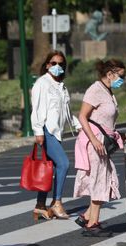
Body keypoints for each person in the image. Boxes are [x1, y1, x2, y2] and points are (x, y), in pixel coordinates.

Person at [73, 59, 126, 237]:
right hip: (94, 143)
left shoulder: (108, 91)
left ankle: (87, 216)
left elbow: (104, 121)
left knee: (104, 179)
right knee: (100, 181)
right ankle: (92, 224)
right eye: (121, 75)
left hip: (102, 141)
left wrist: (118, 135)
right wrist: (94, 140)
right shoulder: (95, 90)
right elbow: (83, 117)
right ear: (110, 74)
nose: (123, 79)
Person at [30, 50, 82, 221]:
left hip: (57, 132)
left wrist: (78, 124)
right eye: (54, 63)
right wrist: (38, 131)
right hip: (46, 131)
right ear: (47, 65)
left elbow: (66, 110)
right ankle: (56, 202)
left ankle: (39, 205)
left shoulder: (61, 85)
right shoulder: (41, 84)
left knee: (49, 168)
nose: (57, 66)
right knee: (64, 163)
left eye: (61, 64)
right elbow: (36, 109)